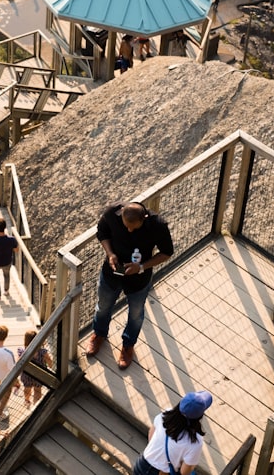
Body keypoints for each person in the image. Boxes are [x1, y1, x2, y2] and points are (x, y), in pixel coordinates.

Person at [86, 202, 174, 369]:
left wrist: (141, 267)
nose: (129, 230)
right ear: (121, 215)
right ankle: (99, 334)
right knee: (103, 306)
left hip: (139, 279)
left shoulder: (157, 225)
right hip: (112, 273)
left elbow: (167, 252)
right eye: (126, 226)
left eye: (134, 228)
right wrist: (110, 254)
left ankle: (127, 345)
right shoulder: (112, 213)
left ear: (144, 218)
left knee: (135, 314)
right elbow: (102, 232)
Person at [133, 391, 211, 475]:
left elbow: (151, 434)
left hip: (141, 465)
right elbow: (184, 472)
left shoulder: (165, 415)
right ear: (199, 416)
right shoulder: (195, 442)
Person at [17, 329, 52, 406]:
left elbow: (18, 363)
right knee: (37, 390)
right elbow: (49, 361)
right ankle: (36, 404)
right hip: (39, 375)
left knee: (27, 389)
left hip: (27, 375)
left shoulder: (22, 352)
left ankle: (27, 400)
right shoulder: (42, 352)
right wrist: (50, 366)